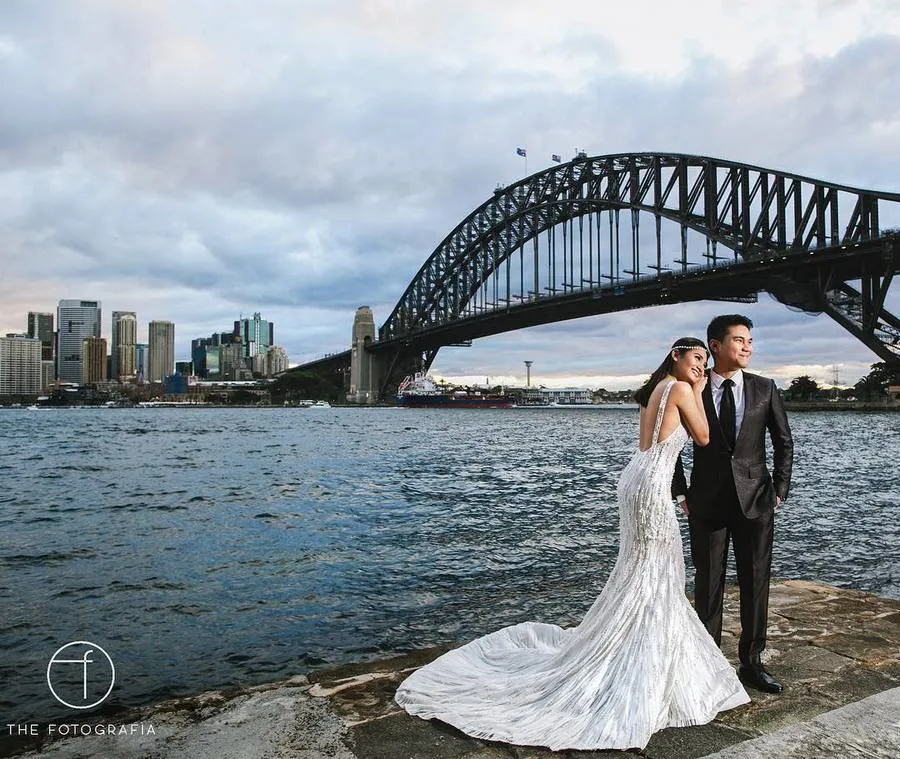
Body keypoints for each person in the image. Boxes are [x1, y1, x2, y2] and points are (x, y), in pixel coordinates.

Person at [394, 338, 749, 752]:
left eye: (705, 360)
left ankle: (633, 641)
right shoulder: (685, 388)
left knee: (642, 566)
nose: (701, 366)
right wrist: (704, 392)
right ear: (676, 356)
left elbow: (645, 446)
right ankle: (638, 657)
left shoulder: (653, 389)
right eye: (696, 359)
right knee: (657, 568)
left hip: (637, 479)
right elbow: (704, 437)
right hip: (652, 486)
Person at [672, 315, 793, 695]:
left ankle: (752, 664)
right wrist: (680, 492)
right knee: (707, 583)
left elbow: (783, 441)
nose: (747, 347)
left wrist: (779, 489)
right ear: (715, 346)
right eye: (739, 340)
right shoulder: (692, 387)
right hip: (706, 501)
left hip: (756, 501)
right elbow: (670, 443)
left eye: (750, 341)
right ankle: (707, 662)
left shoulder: (764, 388)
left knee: (756, 582)